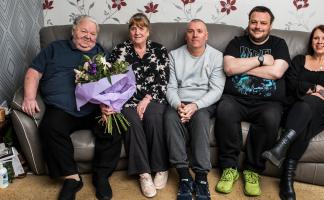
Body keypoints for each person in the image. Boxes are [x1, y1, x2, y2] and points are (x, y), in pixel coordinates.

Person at [21, 15, 116, 200]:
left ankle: (101, 176)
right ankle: (72, 178)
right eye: (84, 31)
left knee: (115, 126)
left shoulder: (101, 54)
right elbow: (34, 72)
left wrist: (107, 104)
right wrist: (29, 97)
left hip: (93, 108)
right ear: (74, 31)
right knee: (49, 128)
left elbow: (110, 83)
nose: (88, 36)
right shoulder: (54, 49)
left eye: (93, 33)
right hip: (62, 108)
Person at [262, 24, 324, 200]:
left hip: (322, 113)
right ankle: (287, 179)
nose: (320, 42)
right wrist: (315, 88)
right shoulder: (299, 60)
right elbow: (290, 84)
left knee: (312, 104)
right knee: (305, 115)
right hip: (295, 108)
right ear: (311, 41)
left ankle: (281, 146)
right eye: (316, 38)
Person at [214, 6, 291, 196]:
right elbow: (229, 68)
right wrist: (261, 59)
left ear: (270, 26)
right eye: (254, 22)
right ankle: (229, 169)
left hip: (268, 102)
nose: (257, 26)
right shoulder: (236, 42)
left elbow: (277, 72)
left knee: (272, 119)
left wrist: (243, 66)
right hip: (235, 99)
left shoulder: (279, 44)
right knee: (224, 111)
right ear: (248, 23)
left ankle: (252, 170)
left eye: (263, 23)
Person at [106, 13, 169, 198]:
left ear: (148, 31)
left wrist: (147, 99)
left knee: (154, 118)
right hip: (126, 100)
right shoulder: (120, 50)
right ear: (129, 32)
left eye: (141, 28)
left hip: (154, 98)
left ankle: (161, 168)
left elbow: (163, 79)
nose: (137, 32)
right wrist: (116, 101)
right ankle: (144, 174)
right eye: (133, 28)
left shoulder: (160, 50)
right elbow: (111, 80)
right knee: (131, 122)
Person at [165, 19, 225, 200]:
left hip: (203, 103)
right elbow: (170, 87)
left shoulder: (216, 56)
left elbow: (216, 90)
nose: (195, 34)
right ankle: (183, 175)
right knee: (169, 118)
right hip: (180, 101)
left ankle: (201, 177)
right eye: (191, 31)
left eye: (199, 31)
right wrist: (178, 105)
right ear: (186, 35)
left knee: (200, 119)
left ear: (206, 36)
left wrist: (196, 105)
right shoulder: (174, 55)